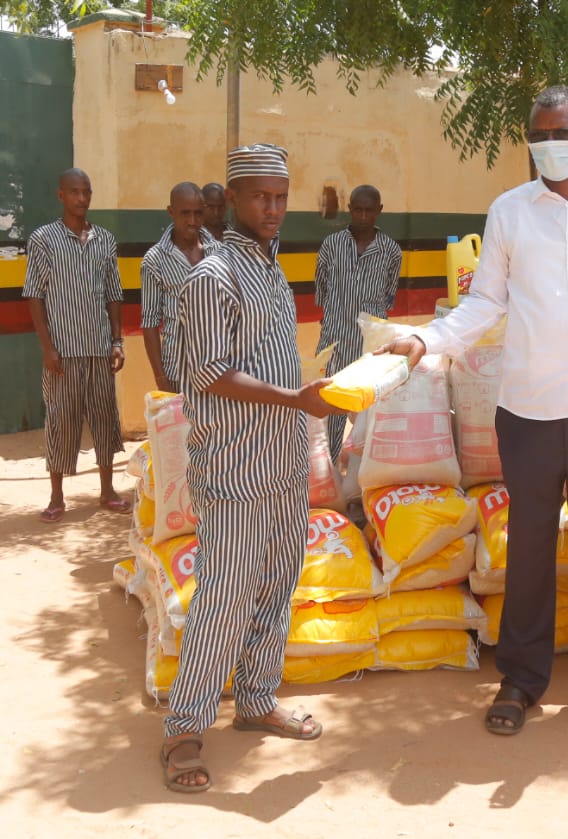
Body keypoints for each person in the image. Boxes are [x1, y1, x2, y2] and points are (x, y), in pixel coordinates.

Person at [380, 85, 568, 737]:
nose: (548, 147)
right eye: (537, 137)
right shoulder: (510, 211)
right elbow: (484, 303)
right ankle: (522, 677)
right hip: (529, 412)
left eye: (560, 135)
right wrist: (430, 337)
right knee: (528, 547)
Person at [161, 144, 344, 794]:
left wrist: (311, 392)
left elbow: (270, 359)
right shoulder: (211, 278)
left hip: (283, 465)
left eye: (281, 197)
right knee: (222, 598)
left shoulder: (270, 268)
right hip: (236, 472)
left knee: (276, 584)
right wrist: (296, 397)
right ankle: (185, 727)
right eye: (261, 197)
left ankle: (258, 699)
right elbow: (209, 375)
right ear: (231, 201)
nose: (274, 209)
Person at [22, 167, 129, 523]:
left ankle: (107, 490)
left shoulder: (104, 240)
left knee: (105, 420)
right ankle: (56, 496)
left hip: (99, 348)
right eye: (74, 192)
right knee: (60, 422)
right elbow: (35, 296)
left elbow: (114, 295)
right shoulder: (43, 239)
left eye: (86, 192)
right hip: (62, 353)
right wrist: (47, 348)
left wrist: (117, 341)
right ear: (61, 195)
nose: (81, 199)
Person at [314, 184, 403, 459]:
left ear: (379, 211)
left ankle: (364, 470)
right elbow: (322, 290)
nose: (363, 216)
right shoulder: (331, 245)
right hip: (335, 341)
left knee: (369, 410)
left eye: (369, 211)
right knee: (330, 406)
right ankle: (328, 469)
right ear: (350, 210)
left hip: (371, 345)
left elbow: (389, 295)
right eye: (358, 210)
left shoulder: (391, 251)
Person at [140, 182, 220, 392]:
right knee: (181, 427)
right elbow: (149, 322)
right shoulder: (154, 260)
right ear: (171, 212)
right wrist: (160, 376)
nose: (192, 221)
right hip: (176, 373)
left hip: (218, 370)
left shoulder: (220, 253)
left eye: (198, 214)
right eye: (185, 213)